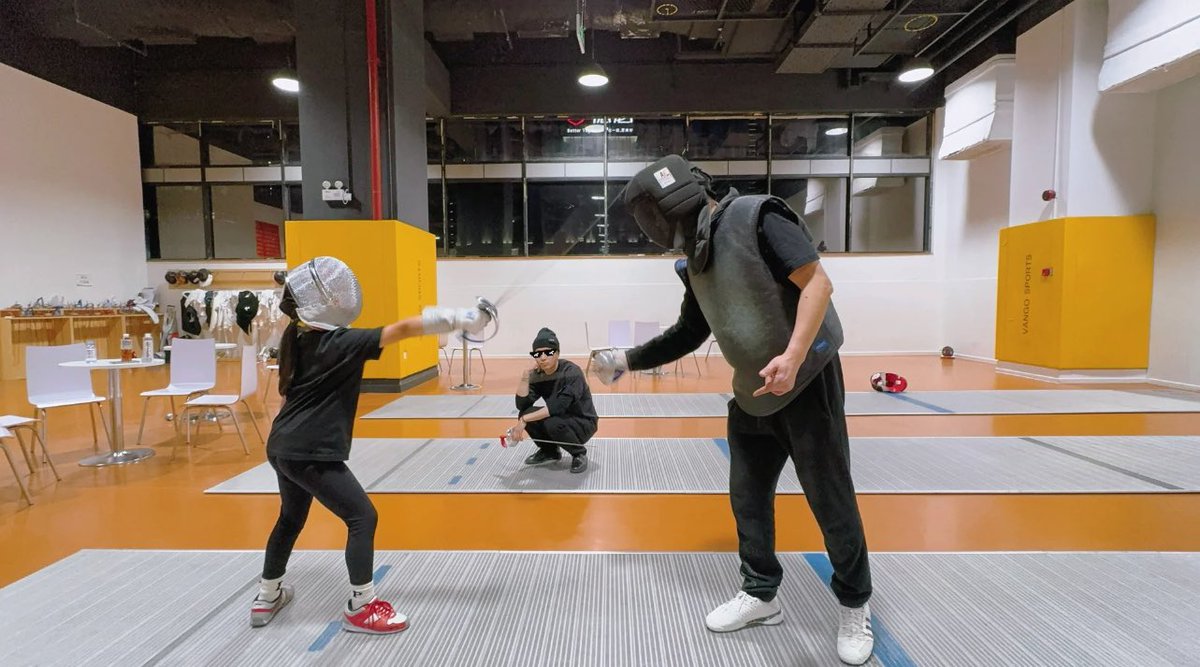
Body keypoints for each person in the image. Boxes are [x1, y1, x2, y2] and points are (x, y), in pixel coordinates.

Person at [591, 155, 874, 665]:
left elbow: (818, 284)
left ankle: (855, 604)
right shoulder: (694, 261)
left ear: (672, 201)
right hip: (751, 392)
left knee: (830, 500)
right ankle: (762, 594)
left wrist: (790, 357)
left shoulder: (757, 215)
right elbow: (689, 332)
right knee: (747, 498)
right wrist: (626, 359)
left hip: (806, 382)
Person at [250, 256, 493, 634]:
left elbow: (286, 397)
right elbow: (404, 328)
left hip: (281, 447)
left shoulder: (295, 338)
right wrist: (464, 317)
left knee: (291, 517)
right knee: (363, 517)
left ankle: (267, 595)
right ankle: (360, 606)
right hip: (311, 452)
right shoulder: (340, 342)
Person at [509, 327, 597, 474]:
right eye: (538, 354)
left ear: (557, 353)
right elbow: (522, 405)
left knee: (548, 421)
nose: (543, 358)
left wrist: (524, 420)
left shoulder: (571, 372)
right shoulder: (538, 375)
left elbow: (558, 406)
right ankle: (549, 451)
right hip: (560, 419)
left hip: (583, 422)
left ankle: (579, 453)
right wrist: (525, 375)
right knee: (526, 413)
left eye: (548, 353)